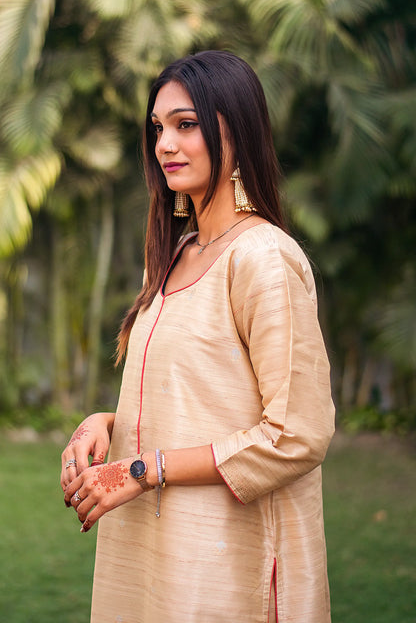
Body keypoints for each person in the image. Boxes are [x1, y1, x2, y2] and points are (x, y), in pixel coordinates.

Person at [61, 50, 335, 623]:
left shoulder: (262, 259)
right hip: (153, 555)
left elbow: (296, 434)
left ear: (236, 131)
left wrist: (140, 470)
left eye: (185, 125)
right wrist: (106, 428)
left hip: (225, 565)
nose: (164, 144)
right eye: (158, 128)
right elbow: (194, 403)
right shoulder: (171, 255)